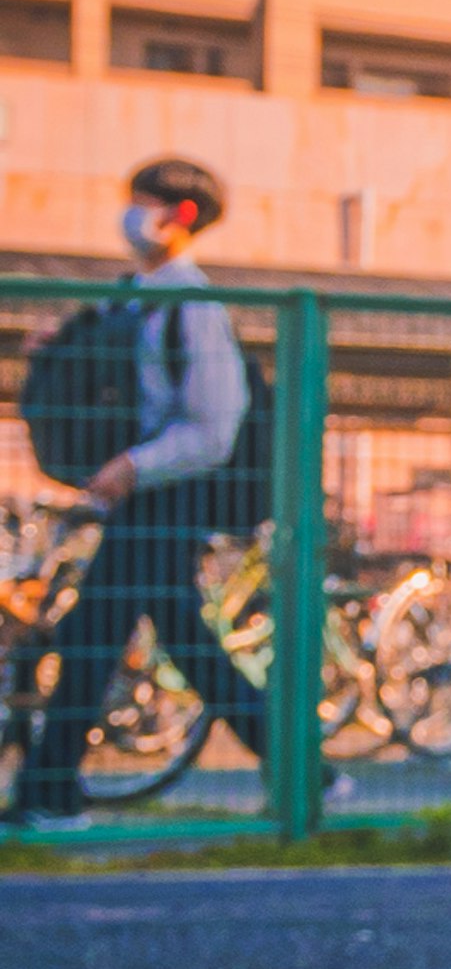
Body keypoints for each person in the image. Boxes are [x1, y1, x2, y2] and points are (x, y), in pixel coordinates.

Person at [13, 152, 265, 826]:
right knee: (179, 641)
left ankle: (48, 792)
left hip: (167, 494)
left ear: (180, 216)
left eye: (146, 202)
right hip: (141, 495)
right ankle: (306, 771)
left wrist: (133, 466)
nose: (133, 215)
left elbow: (215, 426)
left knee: (94, 634)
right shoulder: (131, 297)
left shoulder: (192, 303)